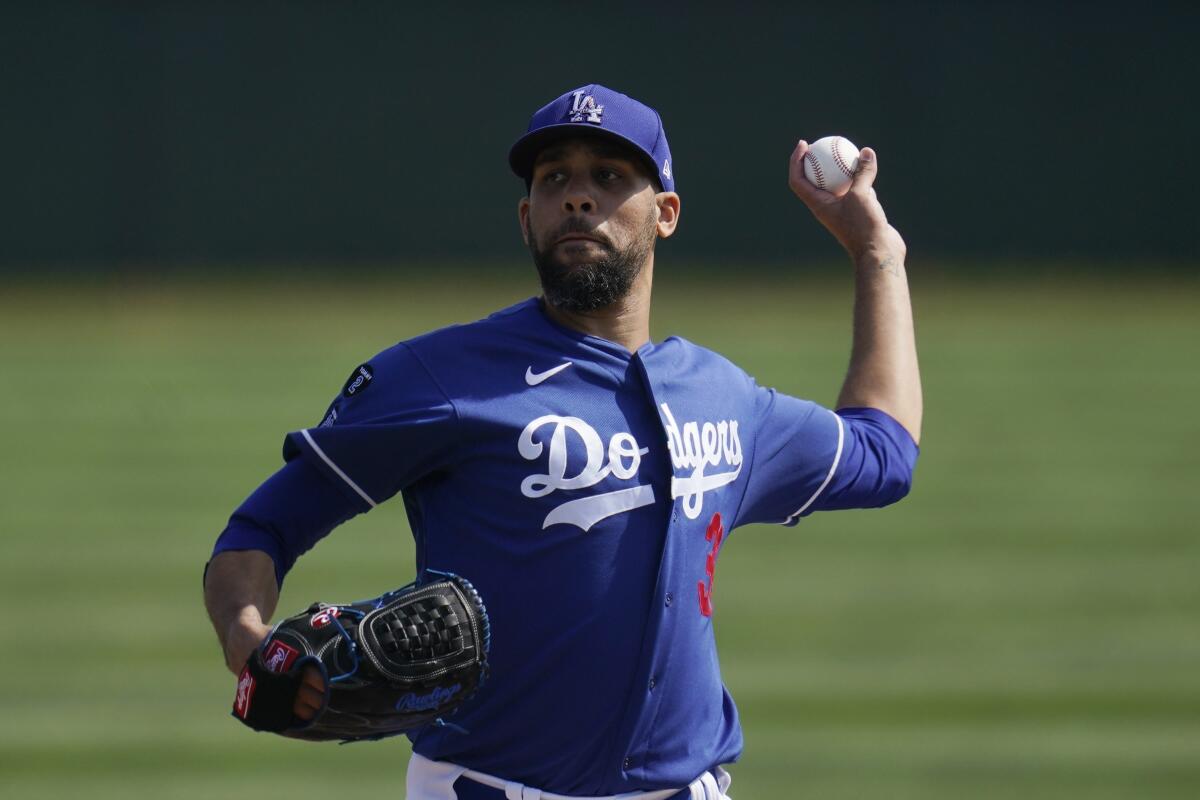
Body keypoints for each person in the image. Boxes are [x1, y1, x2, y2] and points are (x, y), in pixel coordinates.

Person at [204, 84, 922, 800]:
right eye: (555, 180)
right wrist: (249, 642)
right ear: (527, 218)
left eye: (609, 177)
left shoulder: (724, 399)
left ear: (665, 214)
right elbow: (261, 529)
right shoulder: (442, 376)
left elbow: (883, 455)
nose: (578, 197)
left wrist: (876, 254)